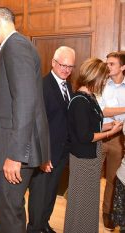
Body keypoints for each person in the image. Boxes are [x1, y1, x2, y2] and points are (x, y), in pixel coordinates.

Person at [0, 7, 51, 233]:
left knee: (8, 213)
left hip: (12, 150)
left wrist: (15, 155)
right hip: (17, 146)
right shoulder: (19, 46)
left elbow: (26, 102)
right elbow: (33, 103)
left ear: (0, 23)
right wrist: (43, 151)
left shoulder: (15, 46)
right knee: (12, 209)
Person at [64, 58, 123, 233]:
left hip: (92, 154)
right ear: (94, 78)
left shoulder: (90, 98)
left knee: (89, 199)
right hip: (83, 157)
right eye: (103, 78)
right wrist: (110, 133)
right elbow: (85, 136)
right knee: (81, 200)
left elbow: (93, 126)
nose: (105, 81)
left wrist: (110, 125)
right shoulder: (79, 101)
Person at [28, 46, 75, 233]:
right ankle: (33, 228)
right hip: (45, 154)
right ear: (53, 63)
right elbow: (36, 124)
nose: (66, 70)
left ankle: (43, 224)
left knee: (50, 194)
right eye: (63, 65)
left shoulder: (68, 85)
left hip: (61, 152)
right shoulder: (42, 86)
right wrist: (42, 156)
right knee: (39, 196)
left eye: (70, 66)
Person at [98, 51, 125, 231]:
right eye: (107, 63)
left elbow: (109, 110)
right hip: (100, 135)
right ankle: (88, 211)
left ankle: (107, 213)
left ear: (123, 67)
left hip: (119, 139)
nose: (108, 67)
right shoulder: (101, 85)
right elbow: (103, 112)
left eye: (112, 64)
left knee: (112, 179)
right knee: (92, 176)